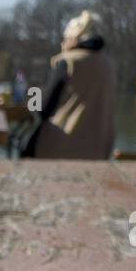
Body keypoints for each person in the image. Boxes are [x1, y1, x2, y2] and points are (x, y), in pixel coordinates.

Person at [25, 10, 116, 160]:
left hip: (62, 147)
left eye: (65, 39)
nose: (63, 43)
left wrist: (33, 90)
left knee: (25, 148)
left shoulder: (68, 61)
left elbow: (41, 109)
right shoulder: (109, 64)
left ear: (75, 39)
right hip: (99, 150)